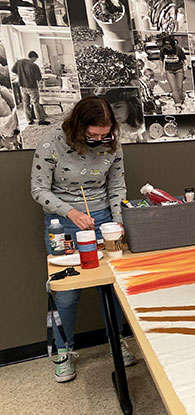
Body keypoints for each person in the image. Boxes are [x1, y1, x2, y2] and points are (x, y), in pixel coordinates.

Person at [30, 96, 137, 383]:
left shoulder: (112, 143)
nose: (99, 139)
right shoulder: (52, 142)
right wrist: (71, 212)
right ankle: (63, 351)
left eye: (104, 134)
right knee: (66, 291)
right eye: (93, 134)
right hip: (63, 222)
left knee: (112, 286)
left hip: (102, 220)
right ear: (79, 126)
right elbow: (38, 189)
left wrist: (118, 220)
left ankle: (117, 341)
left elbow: (117, 185)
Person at [11, 51, 50, 126]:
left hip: (22, 86)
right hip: (32, 87)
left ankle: (29, 120)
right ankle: (40, 120)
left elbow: (13, 70)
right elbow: (38, 77)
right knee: (36, 103)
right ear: (34, 57)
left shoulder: (19, 62)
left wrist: (21, 74)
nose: (35, 60)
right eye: (35, 59)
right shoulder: (33, 65)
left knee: (26, 103)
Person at [160, 36, 187, 112]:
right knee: (174, 88)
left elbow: (184, 59)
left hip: (179, 69)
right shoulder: (162, 50)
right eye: (165, 46)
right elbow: (161, 60)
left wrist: (186, 65)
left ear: (172, 44)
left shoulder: (178, 49)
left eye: (169, 46)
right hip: (169, 70)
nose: (167, 47)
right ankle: (178, 105)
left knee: (179, 87)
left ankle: (180, 98)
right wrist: (161, 70)